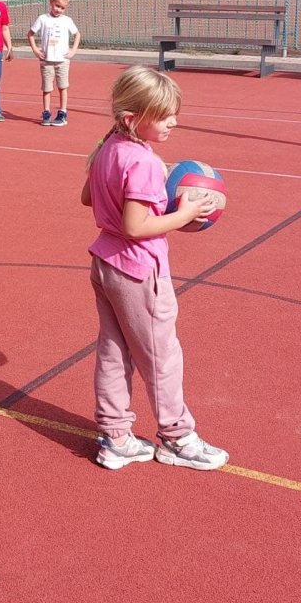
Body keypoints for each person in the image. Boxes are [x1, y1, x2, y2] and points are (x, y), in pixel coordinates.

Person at [81, 66, 228, 472]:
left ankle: (115, 437)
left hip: (105, 263)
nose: (173, 122)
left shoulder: (108, 146)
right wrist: (185, 214)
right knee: (162, 357)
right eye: (163, 116)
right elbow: (135, 227)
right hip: (138, 270)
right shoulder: (142, 161)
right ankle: (177, 438)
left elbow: (87, 197)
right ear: (133, 119)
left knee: (114, 352)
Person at [27, 0, 81, 126]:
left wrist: (73, 51)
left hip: (62, 61)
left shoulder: (67, 20)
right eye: (57, 6)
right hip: (46, 61)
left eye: (62, 8)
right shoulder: (43, 19)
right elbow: (30, 34)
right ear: (51, 2)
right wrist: (36, 50)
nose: (59, 10)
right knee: (47, 88)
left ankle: (62, 112)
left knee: (62, 87)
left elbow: (77, 34)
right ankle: (46, 112)